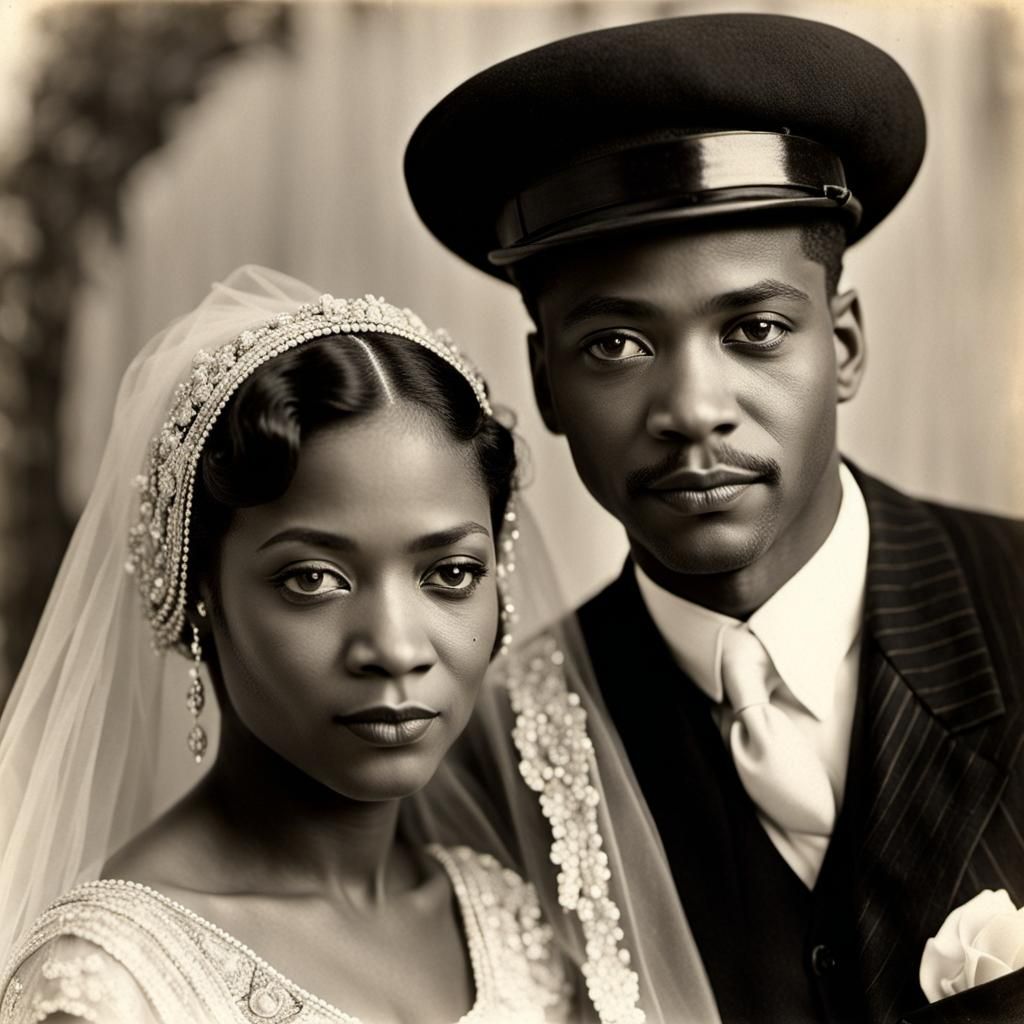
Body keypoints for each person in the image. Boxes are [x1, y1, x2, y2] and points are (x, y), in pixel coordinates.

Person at [403, 13, 1024, 1024]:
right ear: (543, 385)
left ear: (846, 345)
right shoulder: (483, 760)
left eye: (754, 329)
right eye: (613, 344)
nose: (692, 406)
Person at [0, 267, 571, 1023]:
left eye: (451, 572)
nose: (396, 647)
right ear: (200, 590)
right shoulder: (108, 985)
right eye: (313, 580)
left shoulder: (505, 921)